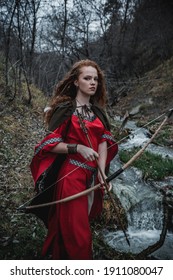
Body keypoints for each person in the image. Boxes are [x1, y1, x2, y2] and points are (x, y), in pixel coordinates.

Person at [29, 59, 118, 260]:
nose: (93, 82)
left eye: (95, 79)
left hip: (92, 177)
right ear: (76, 82)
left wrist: (103, 173)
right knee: (79, 235)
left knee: (77, 226)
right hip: (71, 176)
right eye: (87, 78)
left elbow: (103, 141)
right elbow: (48, 145)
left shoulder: (98, 112)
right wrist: (77, 148)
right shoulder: (65, 109)